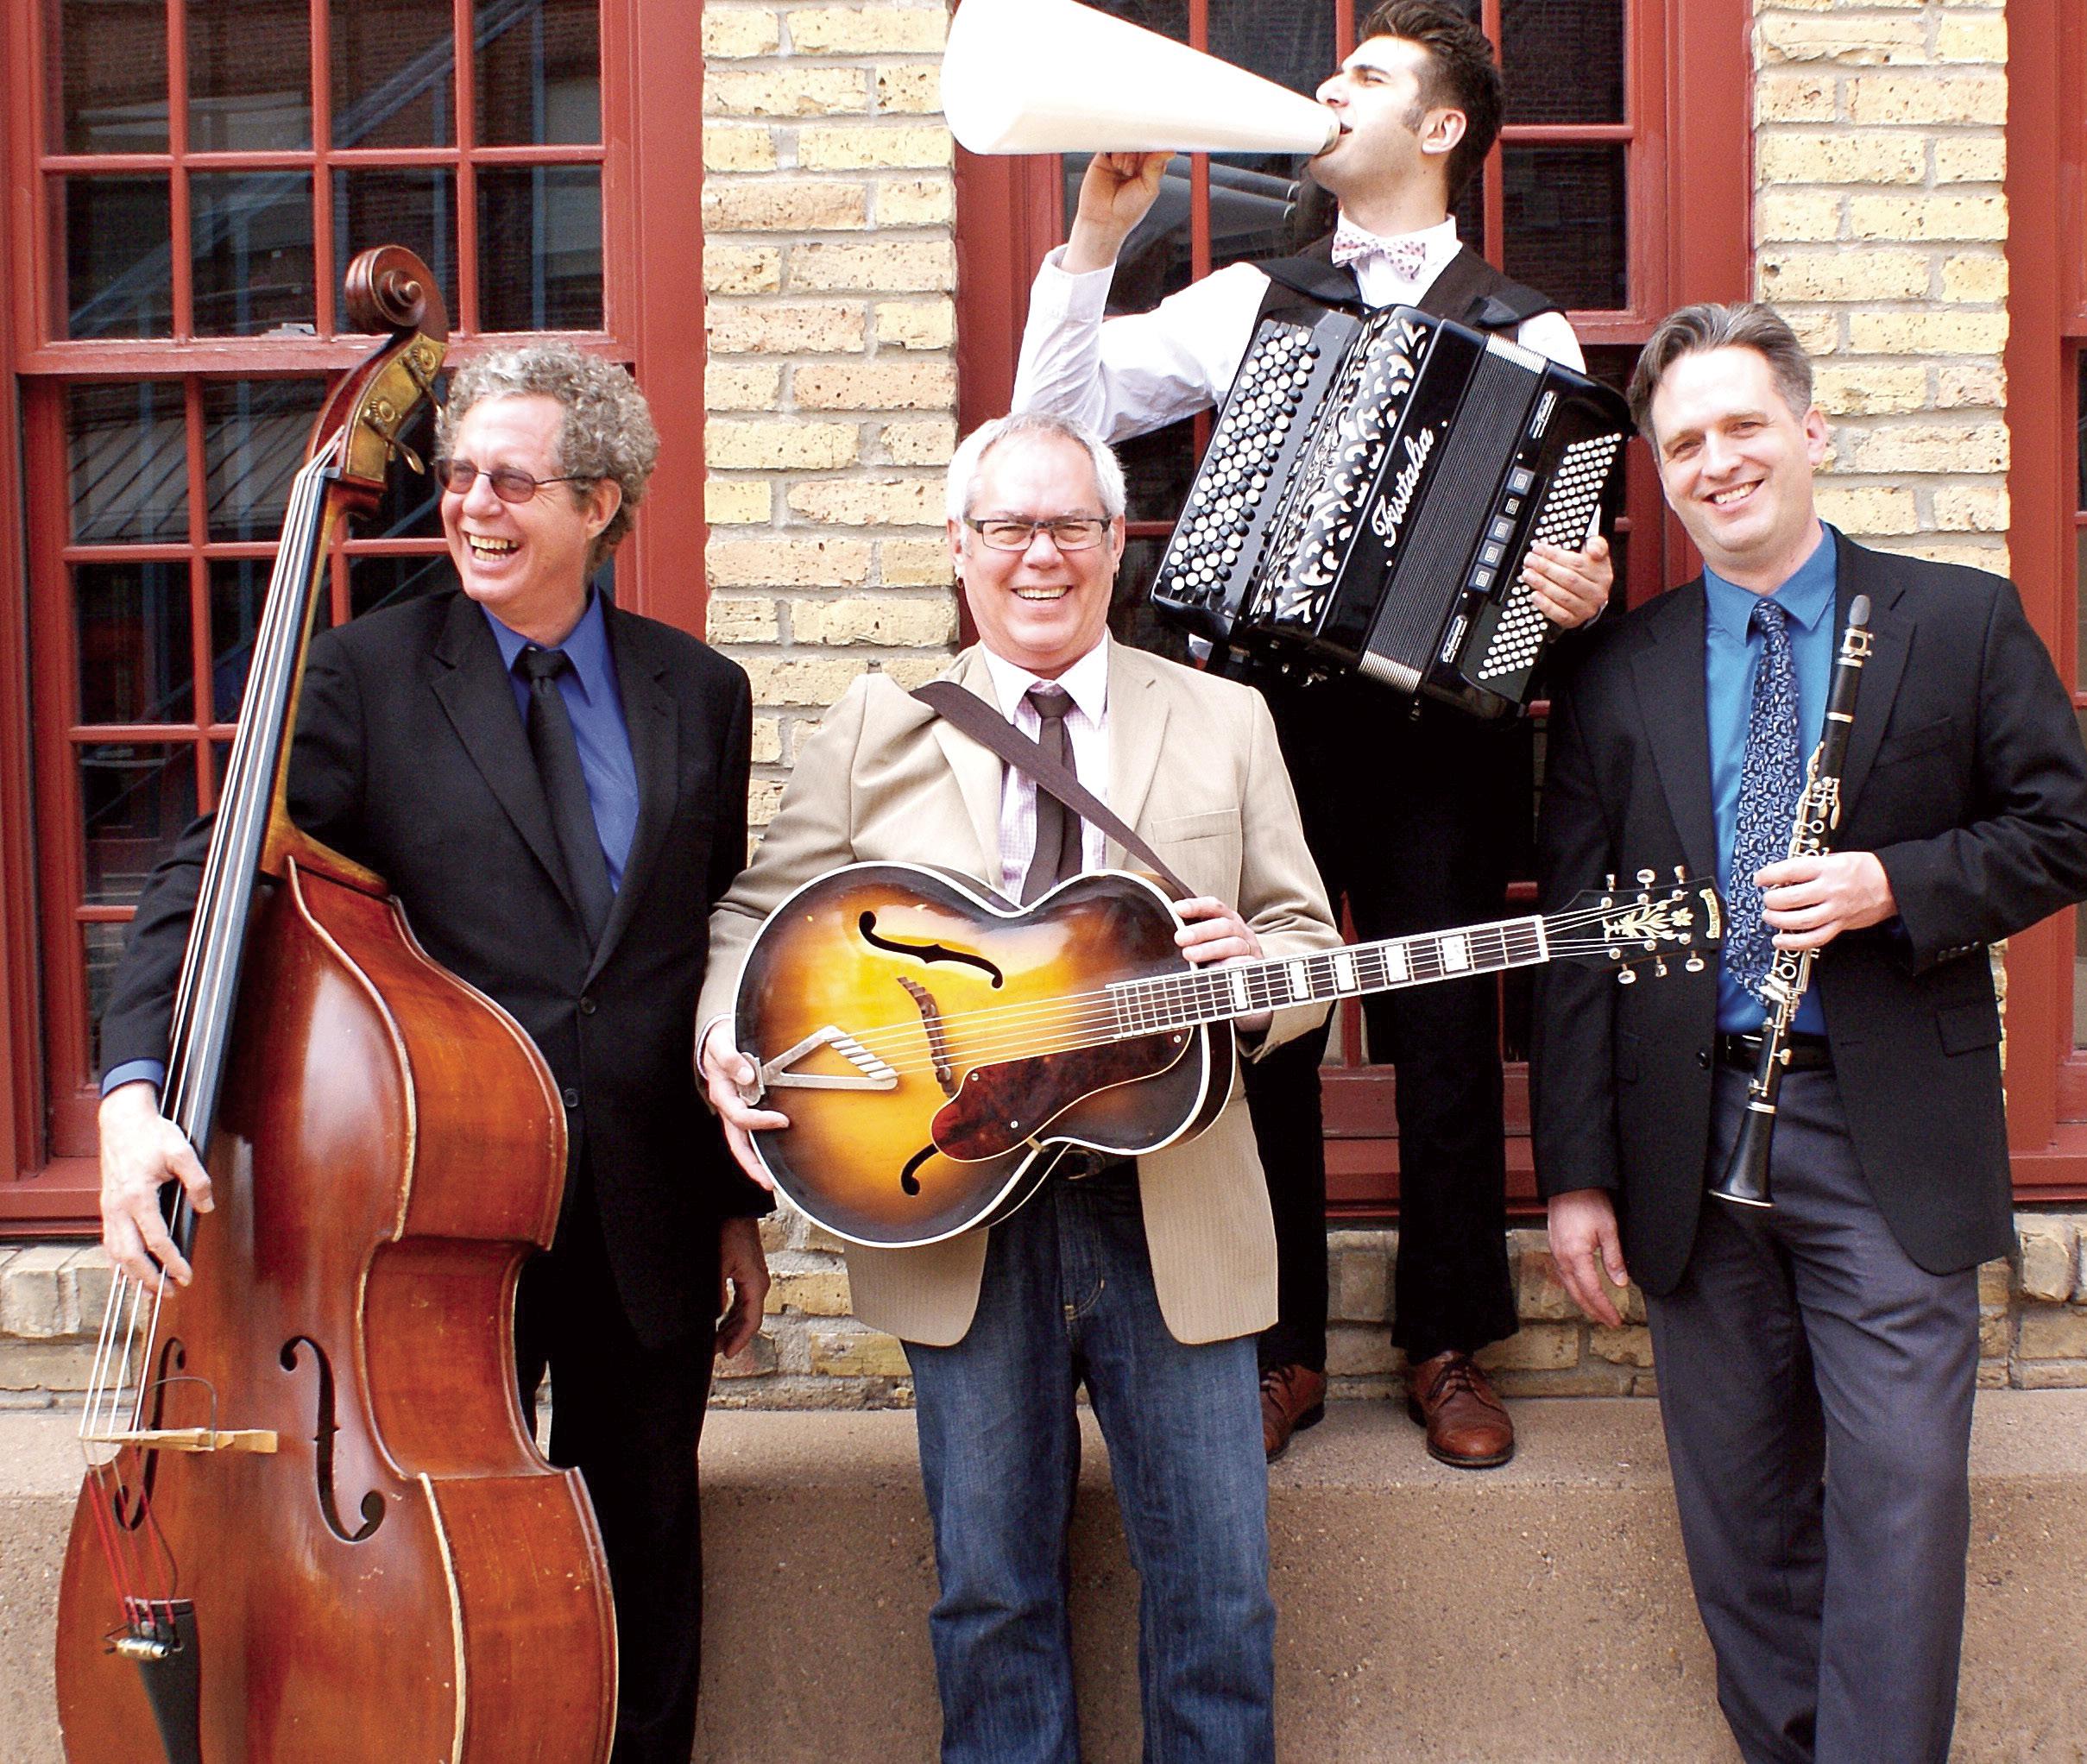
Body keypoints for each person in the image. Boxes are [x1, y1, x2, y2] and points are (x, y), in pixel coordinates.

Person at [95, 343, 768, 1764]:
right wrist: (130, 1097)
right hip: (424, 1222)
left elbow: (700, 950)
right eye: (456, 477)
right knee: (423, 1571)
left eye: (509, 481)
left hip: (642, 1206)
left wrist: (729, 1206)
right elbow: (207, 880)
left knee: (643, 1562)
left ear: (598, 502)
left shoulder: (698, 690)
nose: (469, 506)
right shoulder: (362, 676)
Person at [1013, 0, 1616, 1466]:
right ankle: (1275, 1346)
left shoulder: (1521, 326)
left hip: (1439, 733)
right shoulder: (1247, 297)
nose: (1328, 94)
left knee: (1443, 1036)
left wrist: (1576, 591)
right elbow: (1058, 419)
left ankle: (1449, 1341)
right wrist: (1093, 240)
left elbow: (1550, 551)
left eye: (1366, 78)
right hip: (1259, 717)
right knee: (1260, 1023)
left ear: (1441, 127)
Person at [698, 411, 1340, 1761]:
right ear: (958, 545)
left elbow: (1304, 941)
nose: (1037, 555)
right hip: (956, 1200)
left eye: (1069, 527)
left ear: (1116, 543)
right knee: (990, 1598)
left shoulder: (1223, 719)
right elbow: (756, 915)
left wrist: (1262, 976)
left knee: (1218, 1595)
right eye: (1006, 527)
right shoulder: (875, 724)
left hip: (1170, 1201)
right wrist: (722, 1036)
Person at [1531, 301, 2087, 1763]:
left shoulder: (1956, 618)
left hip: (1880, 1122)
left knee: (1901, 1498)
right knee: (1740, 1518)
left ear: (1809, 430)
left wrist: (1892, 883)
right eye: (1683, 444)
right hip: (1684, 1127)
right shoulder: (1614, 669)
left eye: (1742, 425)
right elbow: (1581, 936)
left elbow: (2063, 829)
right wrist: (1575, 1172)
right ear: (1660, 475)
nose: (1717, 462)